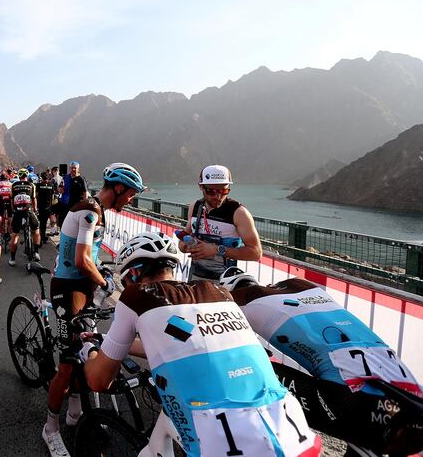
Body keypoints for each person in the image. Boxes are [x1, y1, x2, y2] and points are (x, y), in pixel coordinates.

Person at [81, 231, 321, 457]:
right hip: (294, 434)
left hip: (228, 443)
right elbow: (186, 342)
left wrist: (91, 351)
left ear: (132, 275)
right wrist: (115, 345)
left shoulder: (136, 296)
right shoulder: (219, 292)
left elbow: (99, 381)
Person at [220, 269, 423, 457]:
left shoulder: (240, 302)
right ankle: (366, 439)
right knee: (364, 435)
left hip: (349, 395)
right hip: (407, 393)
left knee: (247, 372)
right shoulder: (301, 285)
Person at [41, 163, 146, 457]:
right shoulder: (90, 212)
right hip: (67, 291)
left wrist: (100, 273)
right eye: (131, 195)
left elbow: (89, 257)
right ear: (119, 188)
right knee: (66, 365)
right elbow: (81, 260)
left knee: (85, 350)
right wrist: (106, 282)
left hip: (82, 287)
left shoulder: (96, 209)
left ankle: (76, 414)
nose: (131, 201)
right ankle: (50, 428)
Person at [178, 165, 262, 280]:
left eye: (224, 191)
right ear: (201, 187)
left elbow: (256, 253)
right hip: (195, 277)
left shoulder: (239, 213)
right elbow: (184, 239)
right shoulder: (195, 207)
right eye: (211, 191)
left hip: (225, 283)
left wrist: (216, 250)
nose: (218, 197)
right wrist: (184, 246)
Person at [8, 168, 40, 265]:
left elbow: (12, 200)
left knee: (15, 234)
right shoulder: (32, 185)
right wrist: (35, 209)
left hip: (18, 211)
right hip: (28, 210)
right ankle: (37, 253)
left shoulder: (13, 185)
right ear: (27, 176)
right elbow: (34, 200)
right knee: (36, 230)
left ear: (19, 176)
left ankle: (12, 259)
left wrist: (14, 210)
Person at [56, 160, 87, 227]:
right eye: (72, 168)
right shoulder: (65, 177)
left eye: (75, 168)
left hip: (76, 205)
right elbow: (59, 188)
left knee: (74, 223)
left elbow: (85, 192)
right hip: (65, 204)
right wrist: (60, 190)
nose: (73, 169)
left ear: (78, 169)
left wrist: (84, 205)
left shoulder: (81, 179)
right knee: (63, 223)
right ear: (69, 169)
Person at [35, 171, 56, 241]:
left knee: (42, 223)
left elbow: (36, 196)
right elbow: (53, 197)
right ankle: (48, 234)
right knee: (51, 220)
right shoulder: (51, 185)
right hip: (49, 206)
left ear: (41, 177)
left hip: (41, 207)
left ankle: (41, 238)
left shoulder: (38, 185)